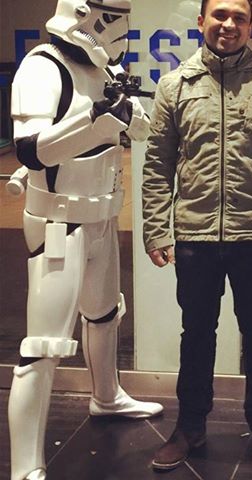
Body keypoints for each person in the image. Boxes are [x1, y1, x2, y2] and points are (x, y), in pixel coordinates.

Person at [142, 0, 252, 472]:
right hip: (195, 236)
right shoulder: (175, 86)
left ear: (251, 26)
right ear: (201, 21)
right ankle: (190, 426)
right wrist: (156, 228)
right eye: (219, 15)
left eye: (239, 17)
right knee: (196, 334)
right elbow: (157, 165)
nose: (228, 25)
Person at [8, 1, 164, 478]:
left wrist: (124, 114)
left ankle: (107, 396)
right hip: (59, 223)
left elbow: (142, 127)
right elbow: (32, 150)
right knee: (44, 343)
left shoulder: (106, 68)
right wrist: (95, 120)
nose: (119, 29)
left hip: (101, 217)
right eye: (110, 16)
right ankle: (26, 466)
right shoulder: (42, 66)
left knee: (104, 315)